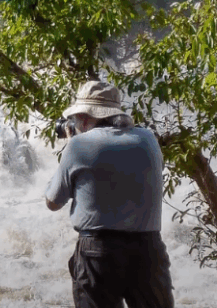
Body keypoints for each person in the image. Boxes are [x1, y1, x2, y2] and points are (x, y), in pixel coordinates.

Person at [45, 80, 174, 308]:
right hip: (148, 249)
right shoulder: (148, 139)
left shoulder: (78, 146)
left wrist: (72, 145)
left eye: (75, 119)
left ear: (84, 118)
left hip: (98, 252)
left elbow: (53, 202)